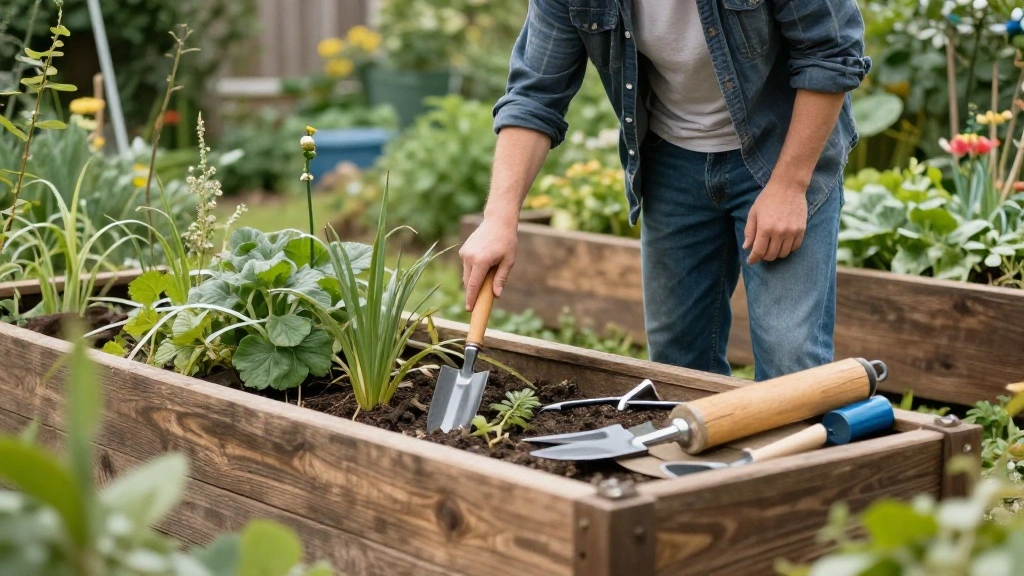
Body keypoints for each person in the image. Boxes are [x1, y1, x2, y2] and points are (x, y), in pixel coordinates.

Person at [459, 0, 871, 381]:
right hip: (672, 161)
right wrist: (499, 218)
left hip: (782, 150)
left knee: (790, 361)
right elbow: (536, 94)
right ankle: (703, 461)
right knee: (676, 363)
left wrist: (788, 185)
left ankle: (790, 459)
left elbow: (830, 54)